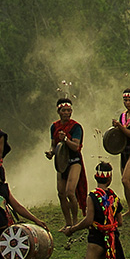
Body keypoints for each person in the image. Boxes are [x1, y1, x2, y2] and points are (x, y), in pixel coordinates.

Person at [61, 162, 128, 259]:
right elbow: (120, 222)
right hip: (111, 241)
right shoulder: (114, 197)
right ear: (110, 179)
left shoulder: (92, 196)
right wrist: (108, 225)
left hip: (96, 240)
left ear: (95, 176)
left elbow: (88, 219)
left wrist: (72, 229)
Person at [50, 97, 87, 231]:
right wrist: (50, 153)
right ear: (59, 111)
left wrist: (65, 139)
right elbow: (53, 146)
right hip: (61, 162)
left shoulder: (76, 127)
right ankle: (68, 222)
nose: (66, 113)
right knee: (61, 193)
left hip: (74, 161)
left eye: (69, 110)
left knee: (70, 191)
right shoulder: (54, 126)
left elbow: (76, 147)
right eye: (64, 110)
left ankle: (76, 221)